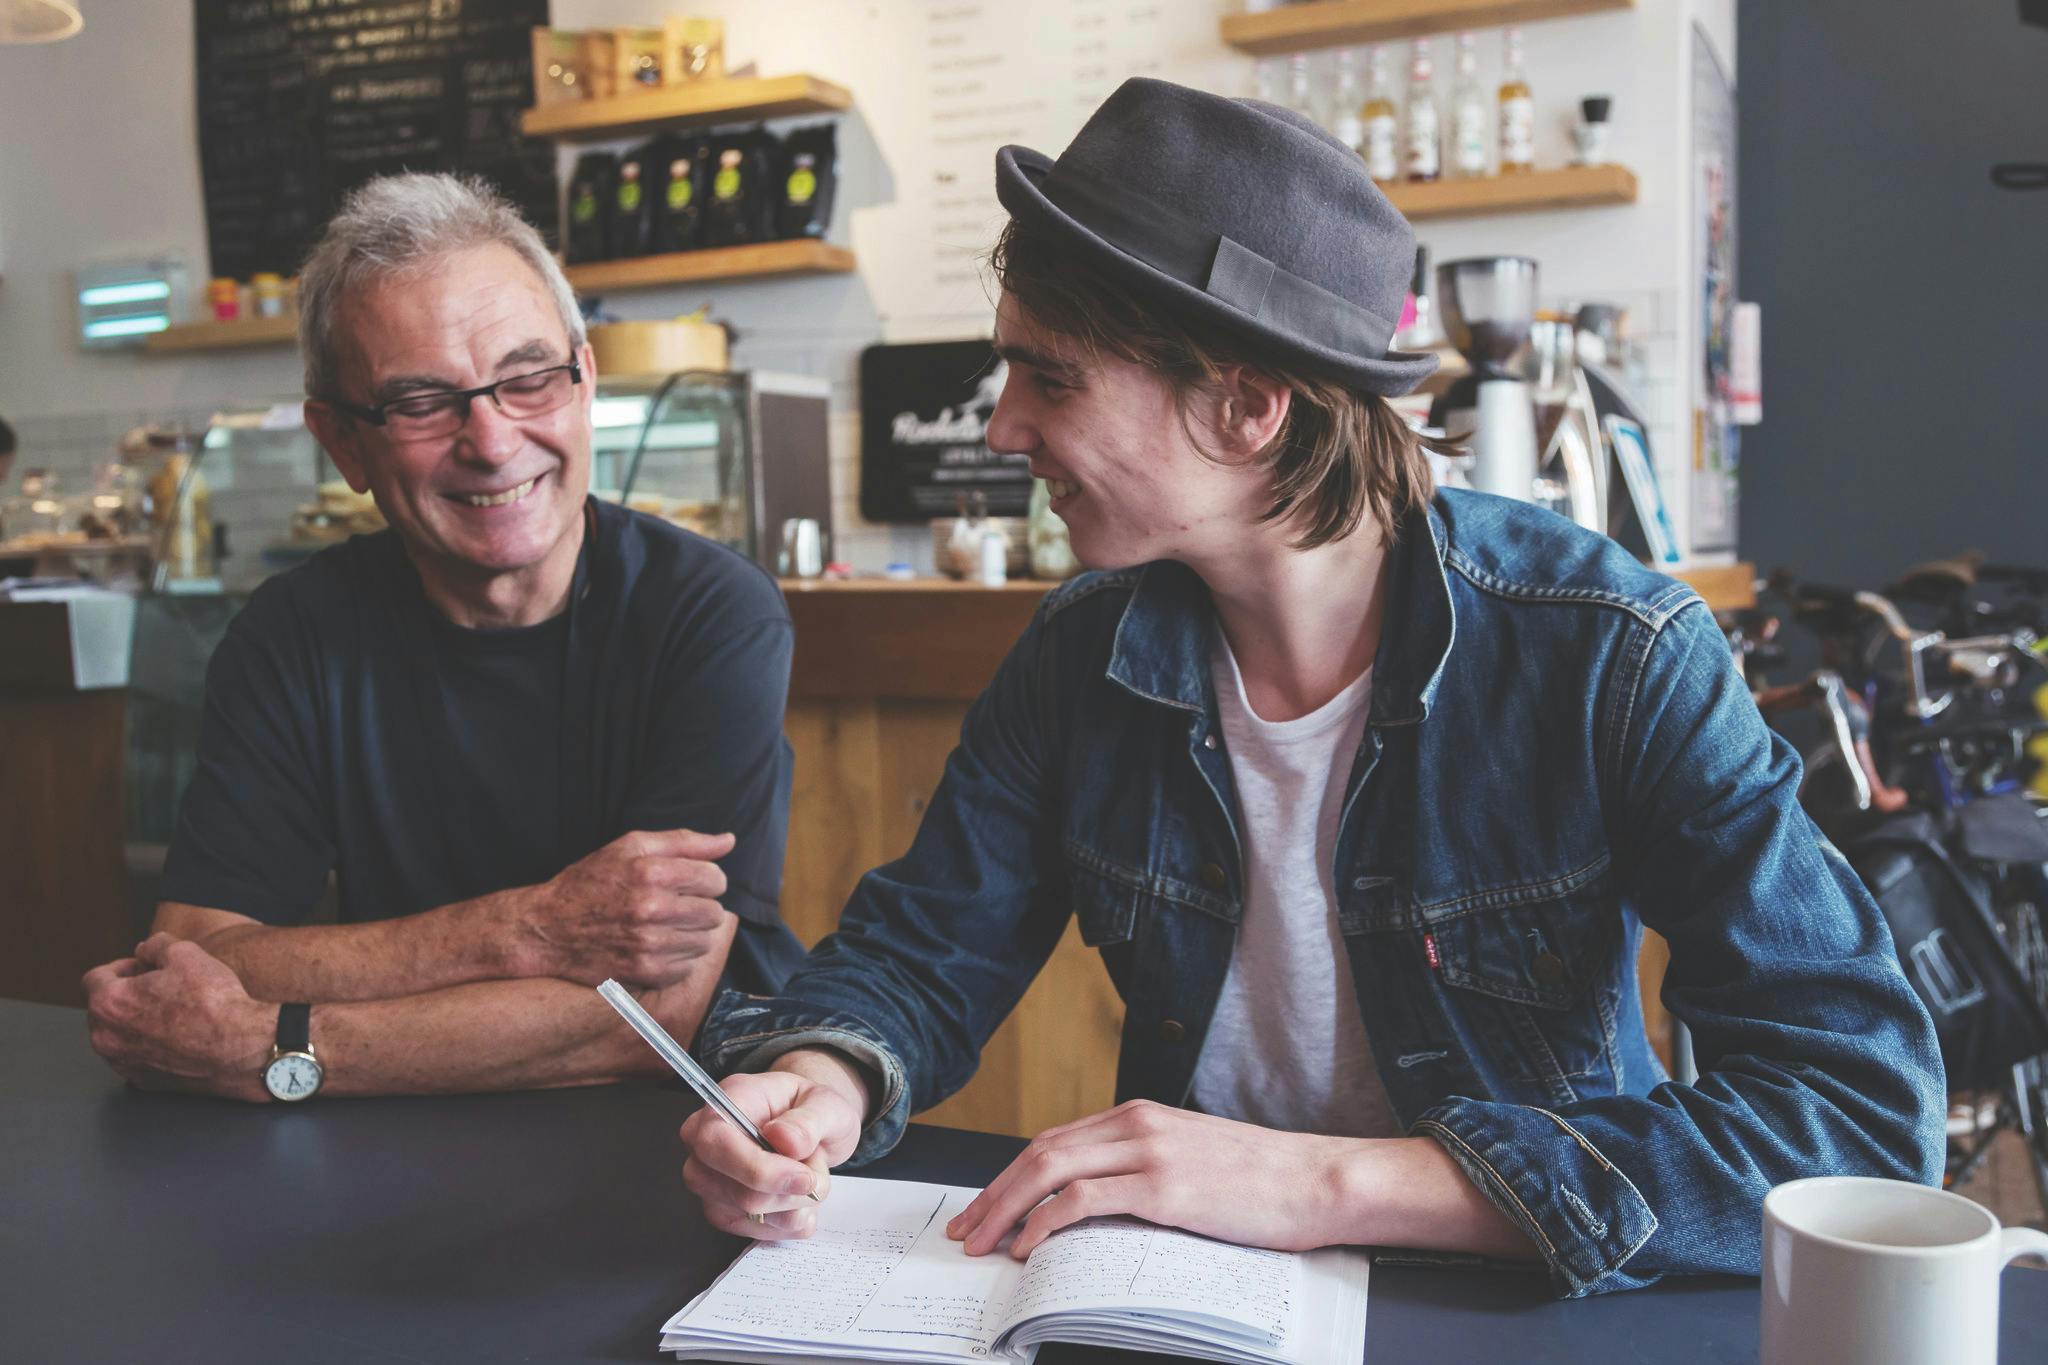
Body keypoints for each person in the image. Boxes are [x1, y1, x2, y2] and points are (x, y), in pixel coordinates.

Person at [676, 80, 1943, 1297]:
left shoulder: (1609, 652)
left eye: (1049, 377)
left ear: (1245, 407)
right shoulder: (1079, 653)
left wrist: (1320, 1186)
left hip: (1524, 1307)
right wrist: (821, 1073)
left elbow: (1859, 1113)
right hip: (1175, 1297)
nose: (1002, 429)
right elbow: (923, 950)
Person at [82, 173, 803, 1102]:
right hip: (380, 1145)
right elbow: (192, 959)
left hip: (682, 1142)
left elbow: (650, 1018)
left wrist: (277, 1046)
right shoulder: (292, 634)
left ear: (584, 381)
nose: (493, 441)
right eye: (422, 401)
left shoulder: (711, 611)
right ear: (342, 443)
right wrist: (526, 928)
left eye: (529, 377)